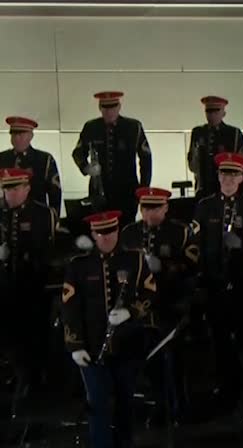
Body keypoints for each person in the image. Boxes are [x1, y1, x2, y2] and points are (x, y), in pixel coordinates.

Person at [62, 210, 157, 448]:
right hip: (93, 346)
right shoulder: (78, 266)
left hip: (128, 344)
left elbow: (150, 292)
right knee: (98, 403)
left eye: (111, 231)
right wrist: (75, 345)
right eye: (101, 233)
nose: (107, 237)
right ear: (93, 234)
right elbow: (70, 308)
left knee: (125, 401)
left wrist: (131, 312)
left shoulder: (134, 259)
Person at [192, 152, 243, 413]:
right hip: (214, 282)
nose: (228, 179)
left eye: (234, 174)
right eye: (224, 174)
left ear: (242, 178)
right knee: (218, 337)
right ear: (217, 176)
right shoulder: (205, 205)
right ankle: (224, 386)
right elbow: (194, 242)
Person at [120, 187, 199, 423]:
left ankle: (180, 407)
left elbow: (193, 263)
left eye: (155, 208)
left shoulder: (180, 232)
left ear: (166, 207)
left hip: (170, 303)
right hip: (141, 309)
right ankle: (159, 406)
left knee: (174, 360)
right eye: (145, 208)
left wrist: (166, 266)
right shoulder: (129, 233)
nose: (149, 213)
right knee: (148, 361)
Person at [0, 167, 57, 399]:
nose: (9, 194)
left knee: (34, 334)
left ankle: (37, 380)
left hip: (33, 286)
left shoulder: (42, 214)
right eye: (5, 189)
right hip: (5, 288)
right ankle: (17, 376)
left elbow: (46, 251)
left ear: (26, 188)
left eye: (14, 189)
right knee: (9, 336)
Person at [72, 91, 152, 220]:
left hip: (127, 190)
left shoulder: (133, 127)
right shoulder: (91, 127)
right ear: (100, 108)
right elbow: (78, 152)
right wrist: (86, 167)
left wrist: (143, 189)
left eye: (113, 107)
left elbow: (146, 158)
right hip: (99, 191)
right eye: (105, 108)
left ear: (119, 107)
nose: (109, 112)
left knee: (126, 227)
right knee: (102, 228)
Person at [187, 96, 243, 199]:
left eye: (216, 111)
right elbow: (192, 164)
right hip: (203, 189)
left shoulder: (233, 134)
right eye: (208, 111)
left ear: (223, 113)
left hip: (226, 188)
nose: (212, 115)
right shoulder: (198, 132)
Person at [0, 115, 62, 215]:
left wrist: (53, 218)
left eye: (21, 135)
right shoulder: (2, 158)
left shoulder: (44, 159)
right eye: (13, 135)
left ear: (30, 136)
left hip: (37, 217)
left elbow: (55, 193)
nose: (16, 138)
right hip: (6, 217)